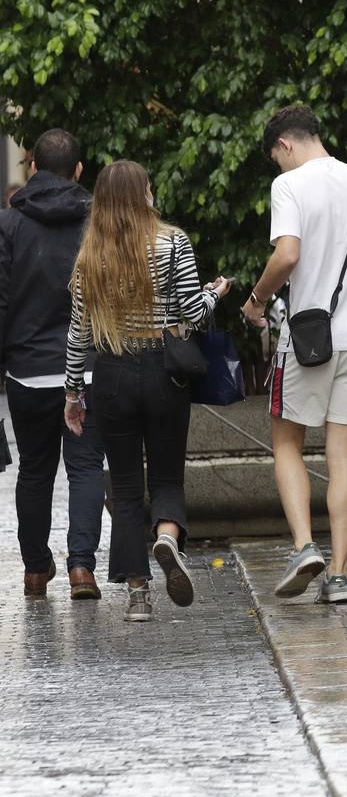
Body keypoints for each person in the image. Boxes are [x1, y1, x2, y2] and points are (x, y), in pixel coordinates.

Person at [62, 161, 229, 621]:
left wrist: (73, 393)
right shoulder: (173, 241)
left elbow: (78, 333)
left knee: (127, 485)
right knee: (168, 476)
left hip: (111, 374)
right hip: (163, 373)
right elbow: (192, 312)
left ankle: (138, 595)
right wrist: (218, 292)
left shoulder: (88, 255)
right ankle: (168, 538)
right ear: (143, 195)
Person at [243, 104, 347, 606]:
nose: (279, 168)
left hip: (306, 343)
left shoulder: (289, 186)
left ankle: (304, 546)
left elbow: (287, 255)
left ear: (284, 144)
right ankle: (340, 577)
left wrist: (256, 300)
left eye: (276, 158)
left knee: (286, 444)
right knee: (342, 453)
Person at [1, 129, 105, 600]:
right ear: (79, 171)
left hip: (25, 369)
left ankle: (35, 570)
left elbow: (2, 302)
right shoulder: (98, 222)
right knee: (85, 467)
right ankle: (82, 567)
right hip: (87, 368)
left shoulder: (9, 224)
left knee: (35, 471)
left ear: (33, 168)